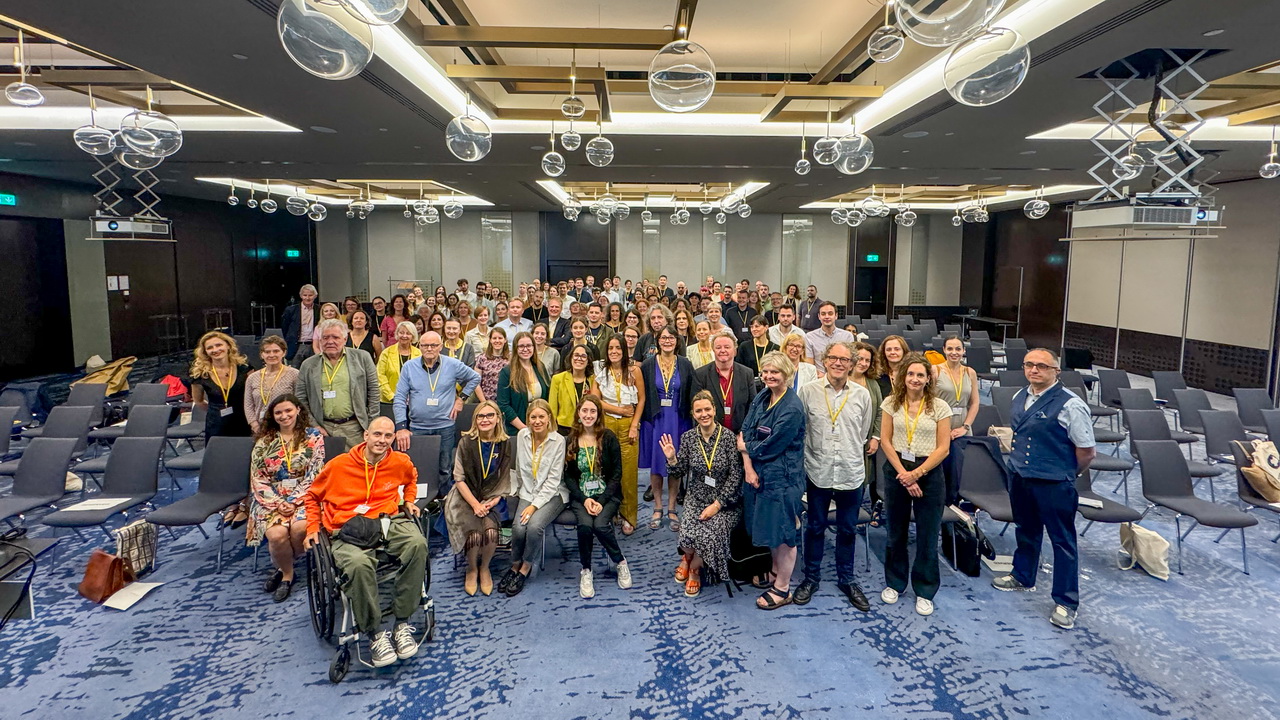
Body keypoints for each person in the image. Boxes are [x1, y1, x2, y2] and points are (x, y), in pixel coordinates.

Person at [304, 417, 425, 668]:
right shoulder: (339, 465)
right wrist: (313, 528)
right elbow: (312, 496)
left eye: (388, 436)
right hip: (347, 528)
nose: (382, 440)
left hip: (387, 521)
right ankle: (375, 633)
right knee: (358, 564)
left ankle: (402, 622)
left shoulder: (399, 462)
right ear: (366, 435)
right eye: (377, 434)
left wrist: (410, 500)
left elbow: (411, 479)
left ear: (394, 438)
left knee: (417, 543)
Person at [992, 348, 1096, 630]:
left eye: (1041, 366)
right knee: (1026, 529)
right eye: (1029, 365)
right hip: (1021, 477)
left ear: (1055, 372)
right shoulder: (1019, 396)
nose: (1034, 370)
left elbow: (1086, 451)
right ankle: (1023, 575)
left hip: (1053, 482)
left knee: (1062, 540)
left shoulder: (1070, 404)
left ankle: (1066, 601)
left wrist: (1064, 472)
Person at [793, 342, 875, 610]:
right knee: (815, 527)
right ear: (825, 361)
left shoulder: (862, 395)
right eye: (833, 358)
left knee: (848, 529)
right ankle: (811, 577)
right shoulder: (807, 392)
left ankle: (846, 578)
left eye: (844, 359)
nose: (838, 363)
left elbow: (862, 435)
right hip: (818, 470)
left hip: (851, 471)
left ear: (852, 364)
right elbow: (802, 431)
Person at [878, 353, 952, 617]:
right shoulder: (890, 403)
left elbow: (943, 448)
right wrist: (904, 475)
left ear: (928, 378)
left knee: (927, 534)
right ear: (903, 376)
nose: (915, 379)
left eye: (921, 375)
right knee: (895, 532)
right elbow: (885, 441)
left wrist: (917, 474)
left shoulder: (940, 407)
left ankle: (925, 589)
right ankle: (895, 583)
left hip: (928, 472)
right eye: (911, 374)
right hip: (897, 470)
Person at [737, 351, 807, 610]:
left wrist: (746, 449)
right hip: (759, 474)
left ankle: (783, 588)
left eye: (774, 372)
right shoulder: (762, 396)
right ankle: (776, 570)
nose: (768, 376)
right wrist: (748, 466)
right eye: (765, 371)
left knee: (785, 532)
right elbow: (745, 430)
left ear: (787, 374)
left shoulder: (792, 408)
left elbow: (770, 445)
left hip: (783, 479)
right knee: (770, 529)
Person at [660, 390, 743, 597]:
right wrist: (671, 459)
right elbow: (679, 473)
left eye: (707, 409)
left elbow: (735, 476)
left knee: (707, 535)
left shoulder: (727, 438)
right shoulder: (688, 438)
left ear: (715, 410)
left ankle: (695, 569)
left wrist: (717, 505)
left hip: (724, 502)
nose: (704, 414)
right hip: (696, 498)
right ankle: (687, 557)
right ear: (693, 414)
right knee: (687, 537)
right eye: (699, 411)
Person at [248, 394, 324, 602]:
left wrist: (292, 501)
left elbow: (316, 474)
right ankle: (287, 574)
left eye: (288, 410)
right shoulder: (264, 442)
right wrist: (278, 502)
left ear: (298, 410)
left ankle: (283, 564)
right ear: (272, 416)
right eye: (278, 412)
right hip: (271, 498)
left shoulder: (313, 437)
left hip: (303, 495)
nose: (284, 416)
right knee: (277, 535)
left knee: (300, 528)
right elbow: (258, 478)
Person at [393, 331, 483, 496]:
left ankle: (443, 505)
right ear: (419, 346)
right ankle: (418, 503)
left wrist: (461, 398)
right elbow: (399, 397)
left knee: (444, 468)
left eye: (434, 345)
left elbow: (474, 378)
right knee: (417, 468)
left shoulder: (452, 364)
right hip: (417, 427)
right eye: (425, 345)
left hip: (445, 426)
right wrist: (401, 427)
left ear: (441, 347)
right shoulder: (409, 367)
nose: (429, 349)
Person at [442, 400, 513, 596]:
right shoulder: (466, 442)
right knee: (474, 535)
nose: (485, 419)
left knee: (490, 533)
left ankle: (485, 568)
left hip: (493, 496)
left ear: (498, 418)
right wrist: (475, 504)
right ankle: (472, 569)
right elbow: (459, 479)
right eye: (481, 416)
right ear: (475, 420)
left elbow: (505, 476)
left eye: (490, 415)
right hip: (465, 497)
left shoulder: (504, 443)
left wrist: (495, 499)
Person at [564, 395, 632, 599]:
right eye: (584, 411)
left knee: (601, 525)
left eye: (593, 411)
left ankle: (620, 562)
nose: (588, 415)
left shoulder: (609, 437)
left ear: (598, 414)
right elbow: (568, 476)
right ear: (578, 413)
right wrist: (585, 499)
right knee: (585, 525)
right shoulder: (571, 439)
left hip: (607, 495)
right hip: (581, 496)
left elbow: (616, 474)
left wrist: (601, 501)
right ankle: (586, 570)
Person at [499, 399, 567, 597]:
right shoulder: (522, 435)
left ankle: (525, 567)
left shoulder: (558, 441)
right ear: (528, 419)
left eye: (541, 417)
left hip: (553, 494)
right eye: (533, 417)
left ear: (549, 419)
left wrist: (533, 507)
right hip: (528, 491)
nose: (537, 421)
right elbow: (521, 469)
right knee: (518, 528)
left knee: (534, 526)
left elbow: (554, 481)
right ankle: (514, 565)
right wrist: (524, 499)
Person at [639, 327, 695, 531]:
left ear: (677, 341)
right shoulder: (647, 365)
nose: (667, 341)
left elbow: (691, 391)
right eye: (663, 338)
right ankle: (657, 506)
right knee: (656, 465)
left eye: (671, 337)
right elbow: (641, 393)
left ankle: (672, 507)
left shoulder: (685, 364)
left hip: (678, 420)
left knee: (675, 463)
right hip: (655, 420)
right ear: (657, 340)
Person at [296, 319, 380, 450]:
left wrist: (371, 425)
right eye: (325, 337)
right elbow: (301, 399)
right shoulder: (308, 365)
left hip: (355, 429)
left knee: (355, 469)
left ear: (345, 339)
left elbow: (374, 392)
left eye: (335, 337)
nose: (330, 341)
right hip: (322, 430)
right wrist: (314, 426)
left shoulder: (362, 358)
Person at [591, 336, 644, 536]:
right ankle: (610, 510)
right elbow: (595, 399)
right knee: (607, 469)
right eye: (611, 348)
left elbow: (642, 399)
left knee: (628, 473)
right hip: (607, 423)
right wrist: (618, 410)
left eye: (618, 348)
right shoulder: (601, 372)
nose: (614, 351)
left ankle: (628, 515)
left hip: (628, 425)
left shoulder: (634, 371)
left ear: (623, 350)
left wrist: (634, 425)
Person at [190, 331, 252, 439]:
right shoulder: (200, 374)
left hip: (244, 421)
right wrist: (215, 410)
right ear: (205, 352)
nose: (215, 350)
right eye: (210, 348)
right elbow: (198, 401)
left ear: (228, 346)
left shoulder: (245, 368)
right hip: (216, 425)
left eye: (219, 345)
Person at [691, 332, 756, 433]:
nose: (722, 350)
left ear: (735, 350)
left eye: (727, 347)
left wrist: (745, 433)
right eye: (718, 347)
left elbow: (753, 406)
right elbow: (696, 407)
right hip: (710, 434)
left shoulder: (747, 374)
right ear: (713, 350)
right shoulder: (700, 374)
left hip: (740, 435)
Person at [496, 332, 551, 436]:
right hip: (517, 430)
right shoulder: (507, 372)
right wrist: (524, 428)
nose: (525, 349)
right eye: (521, 346)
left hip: (540, 427)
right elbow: (503, 405)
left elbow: (547, 397)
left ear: (534, 347)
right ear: (516, 349)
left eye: (529, 345)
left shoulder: (540, 367)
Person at [244, 335, 300, 434]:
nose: (271, 355)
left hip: (287, 427)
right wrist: (255, 425)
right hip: (259, 429)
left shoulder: (294, 374)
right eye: (267, 352)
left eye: (276, 351)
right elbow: (248, 405)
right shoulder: (252, 377)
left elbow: (299, 401)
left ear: (284, 353)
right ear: (262, 355)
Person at [933, 335, 979, 438]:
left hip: (963, 423)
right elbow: (927, 401)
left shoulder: (970, 372)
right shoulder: (935, 371)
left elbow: (975, 403)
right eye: (950, 349)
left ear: (964, 351)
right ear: (944, 350)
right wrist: (943, 429)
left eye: (958, 349)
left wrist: (965, 427)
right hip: (939, 422)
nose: (954, 352)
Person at [376, 321, 420, 419]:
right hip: (389, 402)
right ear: (397, 334)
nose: (404, 336)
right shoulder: (386, 353)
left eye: (408, 333)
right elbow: (380, 376)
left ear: (413, 336)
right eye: (401, 332)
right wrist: (392, 396)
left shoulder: (419, 354)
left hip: (414, 403)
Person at [549, 344, 594, 432]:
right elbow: (552, 409)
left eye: (583, 356)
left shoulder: (594, 380)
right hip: (563, 429)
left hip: (588, 428)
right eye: (576, 355)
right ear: (570, 358)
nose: (579, 359)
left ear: (588, 361)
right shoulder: (558, 379)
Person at [804, 301, 855, 369]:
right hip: (819, 377)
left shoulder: (847, 336)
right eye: (823, 314)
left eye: (830, 314)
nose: (827, 317)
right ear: (819, 317)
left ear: (836, 316)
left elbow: (850, 362)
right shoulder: (809, 337)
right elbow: (810, 366)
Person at [281, 283, 318, 366]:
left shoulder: (319, 309)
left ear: (315, 296)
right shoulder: (291, 310)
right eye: (305, 295)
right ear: (301, 296)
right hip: (296, 346)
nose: (307, 298)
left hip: (313, 346)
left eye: (310, 295)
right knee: (294, 372)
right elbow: (285, 327)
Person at [474, 327, 510, 403]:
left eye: (500, 338)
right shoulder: (481, 358)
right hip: (487, 402)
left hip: (507, 402)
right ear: (490, 340)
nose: (497, 341)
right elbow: (476, 383)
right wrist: (484, 402)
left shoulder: (511, 358)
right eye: (494, 338)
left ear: (505, 340)